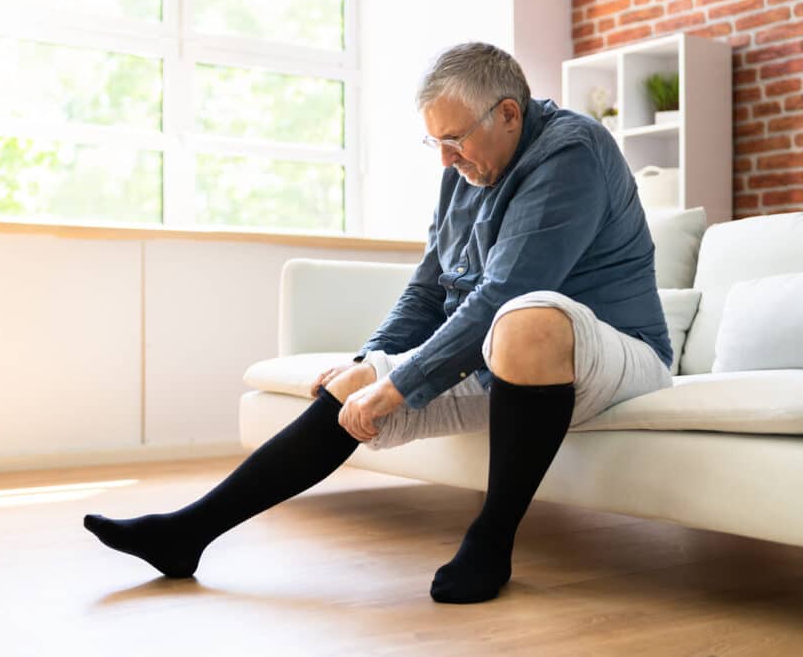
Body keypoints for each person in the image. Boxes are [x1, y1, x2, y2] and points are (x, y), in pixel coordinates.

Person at [84, 41, 674, 605]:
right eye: (434, 143)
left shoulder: (572, 151)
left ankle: (492, 541)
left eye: (453, 139)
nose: (444, 158)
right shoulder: (464, 173)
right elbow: (429, 288)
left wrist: (400, 384)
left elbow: (504, 294)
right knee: (355, 385)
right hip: (511, 361)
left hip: (618, 354)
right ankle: (187, 533)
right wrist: (373, 361)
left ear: (509, 114)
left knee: (525, 320)